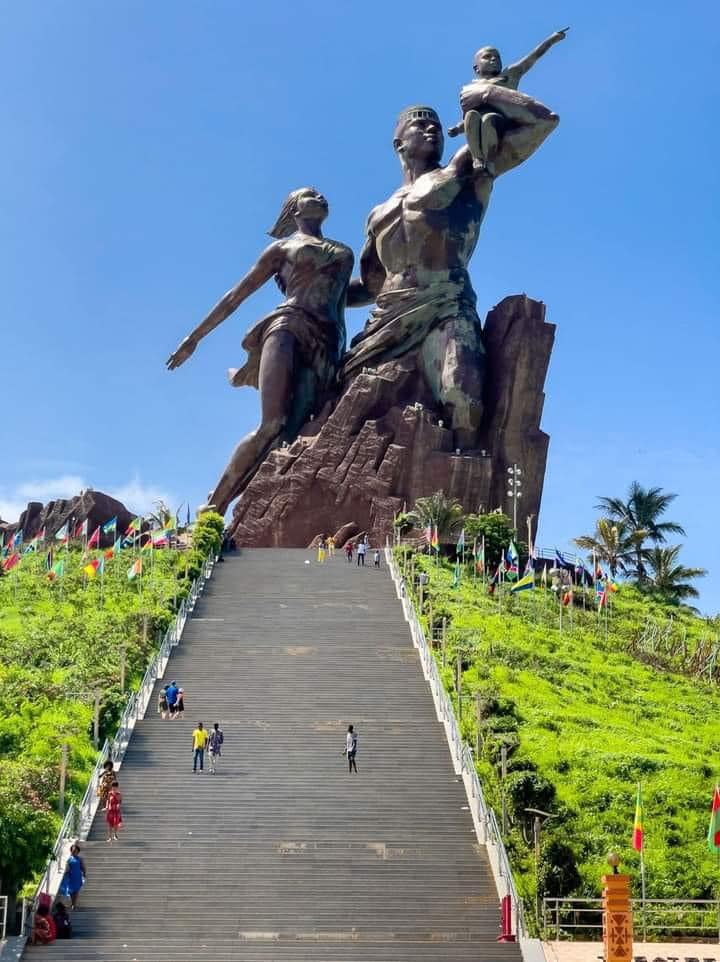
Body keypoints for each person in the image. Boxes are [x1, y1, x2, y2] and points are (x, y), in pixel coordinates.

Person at [343, 101, 558, 449]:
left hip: (445, 304)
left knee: (460, 389)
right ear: (399, 144)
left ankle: (464, 478)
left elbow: (542, 123)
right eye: (421, 127)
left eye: (438, 129)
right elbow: (371, 285)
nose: (433, 132)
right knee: (348, 398)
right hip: (386, 320)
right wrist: (315, 297)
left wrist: (490, 92)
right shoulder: (377, 214)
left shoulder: (467, 170)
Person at [167, 188, 354, 515]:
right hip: (288, 326)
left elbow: (348, 294)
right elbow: (236, 295)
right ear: (294, 210)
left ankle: (269, 508)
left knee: (294, 433)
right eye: (311, 194)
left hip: (329, 340)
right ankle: (215, 505)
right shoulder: (283, 248)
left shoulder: (344, 251)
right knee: (272, 423)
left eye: (322, 194)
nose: (321, 196)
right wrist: (194, 337)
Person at [448, 29, 568, 174]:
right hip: (475, 123)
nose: (494, 59)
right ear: (476, 67)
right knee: (471, 116)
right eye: (487, 57)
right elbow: (468, 118)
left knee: (488, 119)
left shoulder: (508, 76)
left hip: (500, 122)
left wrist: (552, 39)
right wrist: (457, 128)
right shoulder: (470, 89)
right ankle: (477, 158)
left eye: (497, 57)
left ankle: (489, 159)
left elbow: (532, 58)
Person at [59, 843, 86, 909]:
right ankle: (72, 903)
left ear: (78, 851)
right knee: (71, 891)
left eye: (76, 851)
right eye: (73, 851)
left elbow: (83, 867)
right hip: (70, 876)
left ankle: (74, 904)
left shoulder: (80, 859)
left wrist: (84, 873)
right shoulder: (69, 859)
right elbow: (67, 868)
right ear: (71, 851)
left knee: (76, 891)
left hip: (77, 876)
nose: (74, 852)